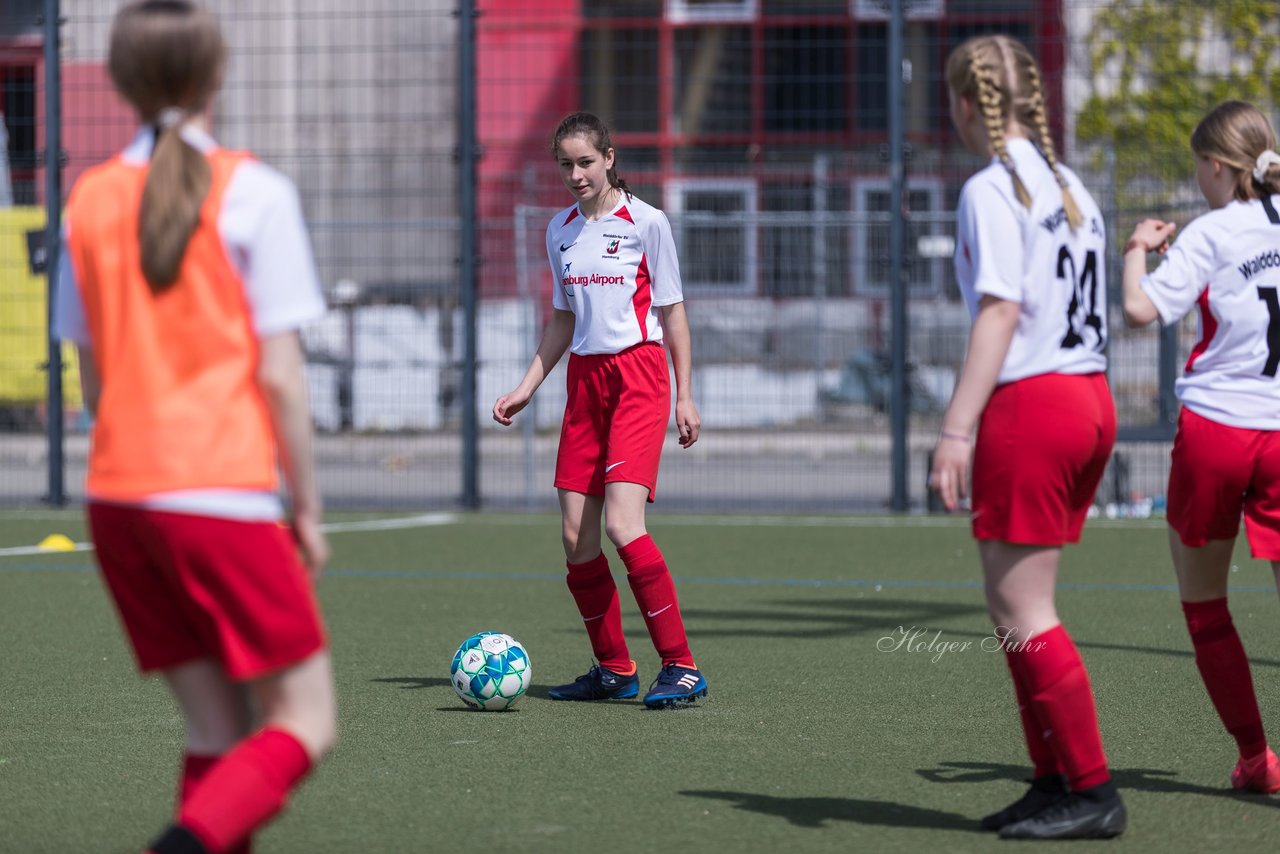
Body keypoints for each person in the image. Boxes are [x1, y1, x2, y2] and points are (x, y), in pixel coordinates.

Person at [52, 3, 336, 852]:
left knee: (219, 731)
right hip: (218, 495)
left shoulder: (88, 197)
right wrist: (310, 512)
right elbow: (282, 378)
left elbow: (94, 377)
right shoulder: (255, 191)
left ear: (120, 81)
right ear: (218, 74)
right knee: (305, 722)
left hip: (118, 501)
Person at [929, 34, 1126, 839]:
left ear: (965, 105)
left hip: (1035, 406)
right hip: (1088, 398)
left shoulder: (990, 187)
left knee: (1024, 608)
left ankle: (1091, 790)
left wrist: (955, 428)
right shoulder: (1069, 183)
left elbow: (1001, 312)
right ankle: (1053, 779)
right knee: (1013, 607)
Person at [492, 111, 706, 710]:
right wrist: (527, 386)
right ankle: (614, 668)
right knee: (575, 537)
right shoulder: (559, 231)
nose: (576, 174)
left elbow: (673, 311)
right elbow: (563, 318)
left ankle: (681, 666)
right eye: (565, 164)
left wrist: (684, 393)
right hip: (585, 383)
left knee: (621, 525)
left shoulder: (647, 222)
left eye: (585, 162)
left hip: (638, 375)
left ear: (609, 158)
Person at [1121, 99, 1280, 795]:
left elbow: (1138, 311)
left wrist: (1135, 252)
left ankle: (1256, 759)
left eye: (1198, 166)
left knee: (1205, 603)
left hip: (1217, 432)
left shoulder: (1211, 233)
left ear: (1216, 166)